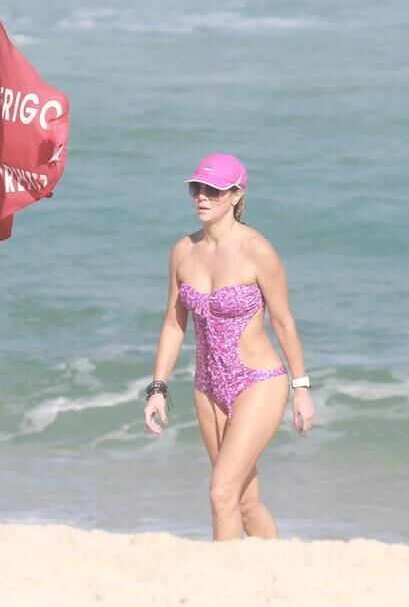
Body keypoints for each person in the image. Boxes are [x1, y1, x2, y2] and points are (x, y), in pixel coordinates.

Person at [143, 152, 315, 541]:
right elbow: (174, 325)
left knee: (220, 492)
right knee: (243, 501)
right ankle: (280, 575)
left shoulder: (258, 251)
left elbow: (284, 322)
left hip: (257, 380)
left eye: (214, 191)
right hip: (207, 387)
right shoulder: (183, 251)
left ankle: (223, 584)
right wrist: (158, 388)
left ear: (237, 195)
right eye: (196, 188)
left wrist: (300, 388)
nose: (202, 197)